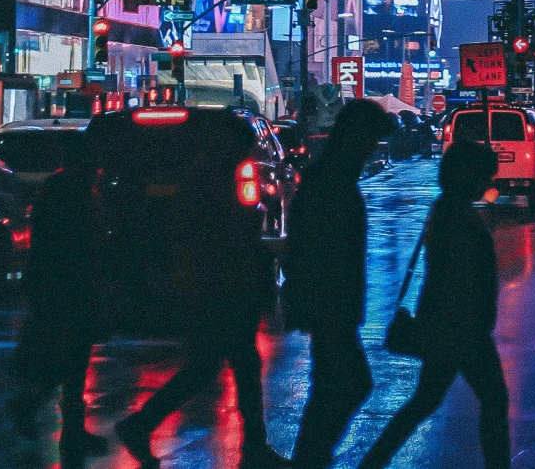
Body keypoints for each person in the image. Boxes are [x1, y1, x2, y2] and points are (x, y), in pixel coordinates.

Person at [116, 139, 277, 469]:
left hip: (208, 285)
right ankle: (254, 448)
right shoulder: (216, 181)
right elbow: (231, 233)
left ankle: (141, 425)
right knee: (236, 364)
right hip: (221, 286)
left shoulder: (199, 179)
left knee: (213, 365)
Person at [354, 142, 510, 469]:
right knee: (492, 400)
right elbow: (460, 275)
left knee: (425, 401)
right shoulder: (457, 216)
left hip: (448, 325)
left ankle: (372, 462)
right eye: (484, 175)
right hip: (461, 328)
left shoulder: (447, 209)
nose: (488, 181)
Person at [286, 99, 394, 468]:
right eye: (369, 141)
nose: (371, 151)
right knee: (350, 382)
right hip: (329, 302)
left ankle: (311, 456)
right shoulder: (331, 182)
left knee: (331, 384)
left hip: (332, 303)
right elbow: (316, 248)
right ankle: (311, 458)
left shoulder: (332, 178)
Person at [10, 153, 107, 465]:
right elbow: (80, 248)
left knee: (67, 360)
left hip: (58, 289)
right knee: (71, 360)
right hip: (69, 289)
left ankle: (64, 427)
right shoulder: (76, 202)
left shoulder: (56, 197)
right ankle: (57, 423)